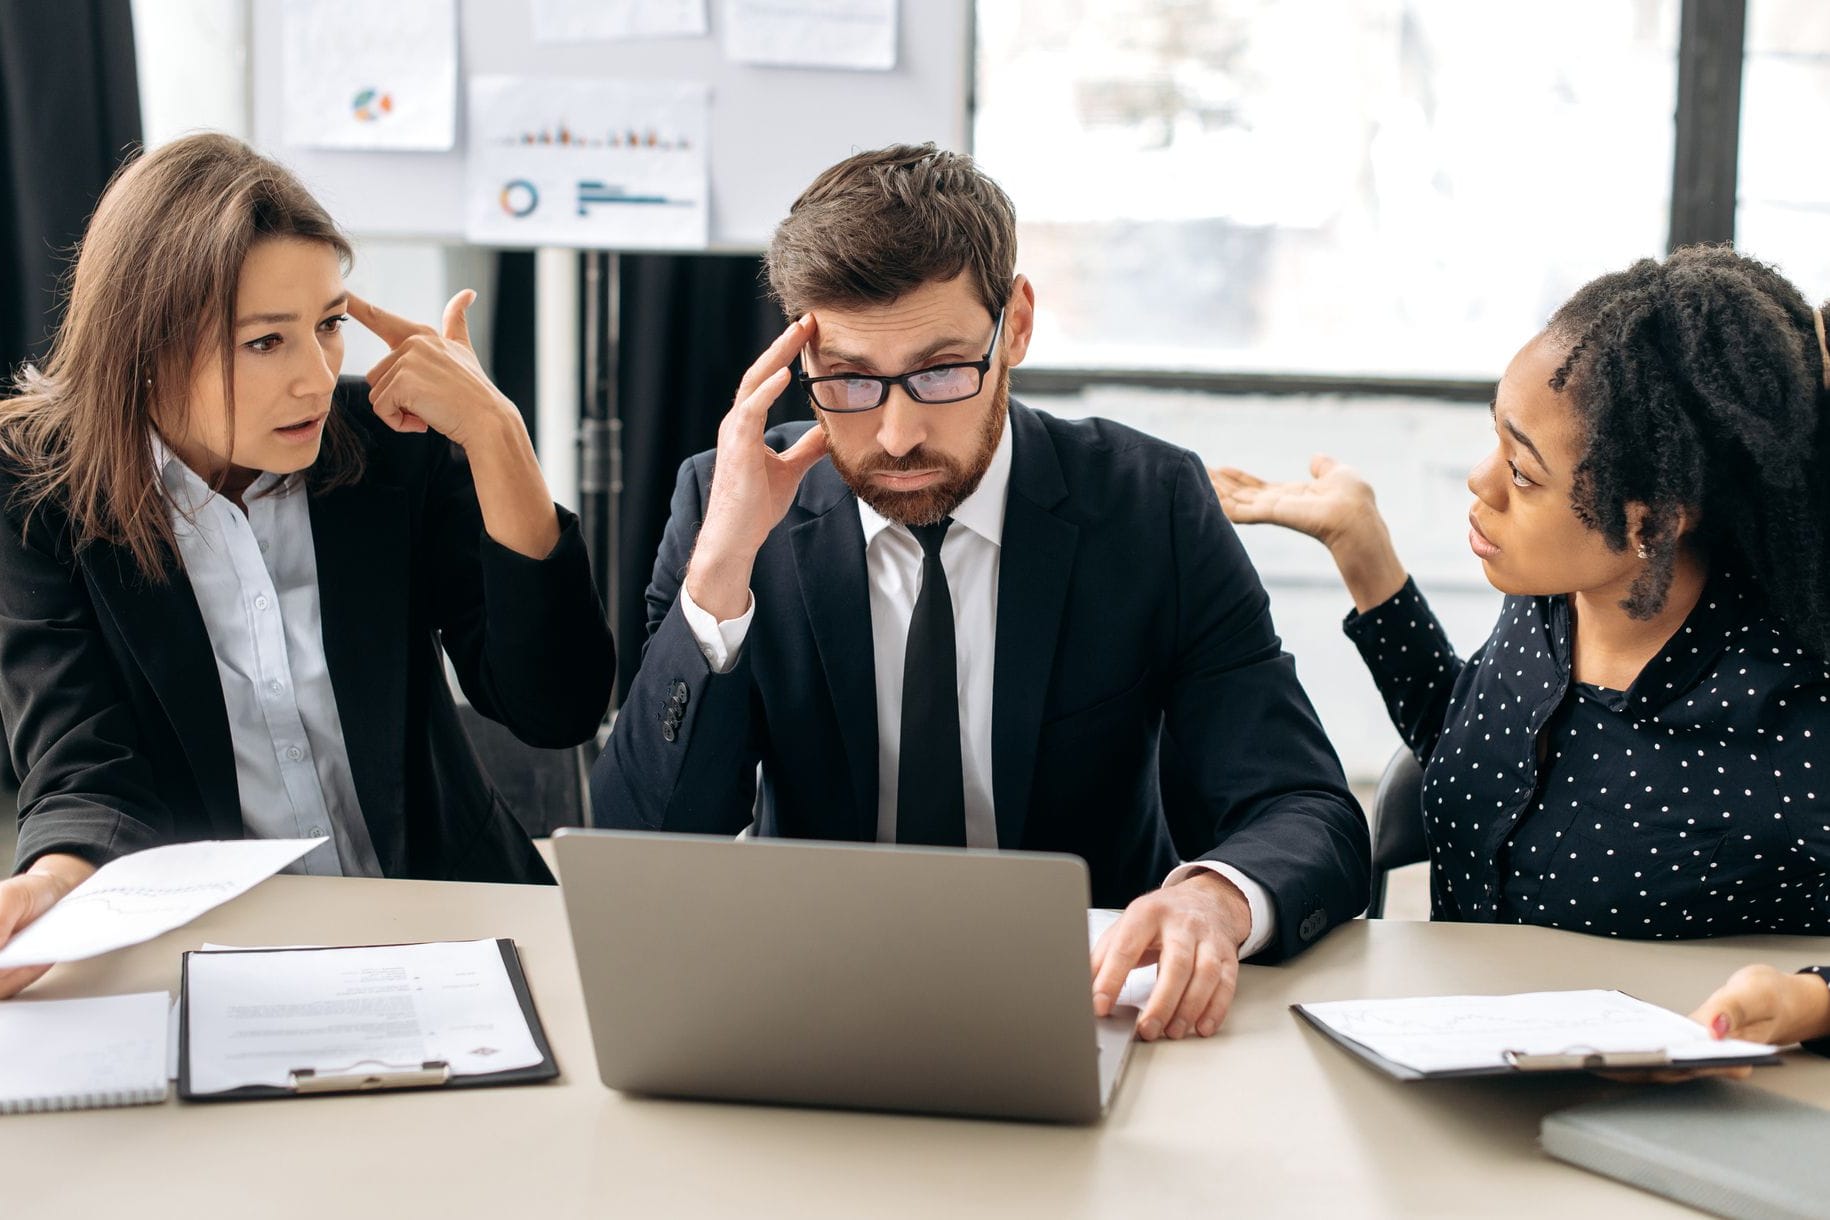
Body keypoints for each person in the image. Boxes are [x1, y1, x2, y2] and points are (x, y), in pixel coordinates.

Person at [591, 144, 1368, 1042]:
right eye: (847, 378)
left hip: (1085, 1005)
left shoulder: (1149, 506)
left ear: (1019, 325)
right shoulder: (726, 504)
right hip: (809, 1003)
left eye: (942, 368)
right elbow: (639, 846)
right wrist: (722, 570)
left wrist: (1215, 900)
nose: (896, 432)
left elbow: (1305, 808)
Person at [0, 133, 614, 998]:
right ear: (144, 343)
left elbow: (558, 706)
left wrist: (497, 440)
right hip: (219, 961)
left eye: (327, 327)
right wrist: (50, 887)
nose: (318, 381)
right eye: (264, 343)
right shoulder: (39, 493)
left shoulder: (390, 450)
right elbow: (84, 763)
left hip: (454, 923)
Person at [1212, 245, 1830, 1051]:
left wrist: (1812, 1002)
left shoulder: (1789, 710)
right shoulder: (1548, 606)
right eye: (1495, 443)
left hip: (1660, 1116)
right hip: (1455, 1065)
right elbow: (1461, 746)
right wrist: (1363, 551)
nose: (1483, 482)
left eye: (1524, 474)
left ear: (1650, 521)